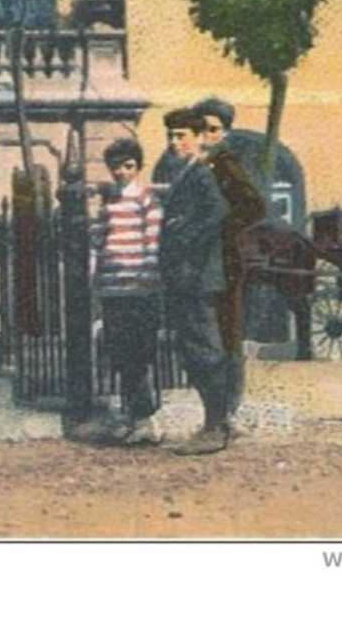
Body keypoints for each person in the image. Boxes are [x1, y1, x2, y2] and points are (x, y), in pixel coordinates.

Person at [190, 97, 267, 429]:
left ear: (225, 132)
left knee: (227, 329)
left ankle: (230, 406)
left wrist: (224, 226)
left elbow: (254, 204)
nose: (207, 135)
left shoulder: (226, 163)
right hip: (207, 257)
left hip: (227, 256)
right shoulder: (198, 162)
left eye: (213, 129)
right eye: (202, 129)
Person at [158, 108, 230, 456]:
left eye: (182, 136)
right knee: (192, 348)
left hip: (198, 275)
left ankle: (216, 425)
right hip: (187, 275)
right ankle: (214, 421)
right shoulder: (183, 173)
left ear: (199, 138)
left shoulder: (201, 174)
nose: (175, 142)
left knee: (204, 348)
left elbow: (217, 214)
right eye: (171, 136)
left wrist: (185, 237)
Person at [91, 137, 164, 446]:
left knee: (139, 352)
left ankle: (146, 418)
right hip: (112, 290)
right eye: (115, 167)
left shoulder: (147, 200)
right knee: (118, 352)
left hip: (139, 290)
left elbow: (153, 244)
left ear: (138, 166)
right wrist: (95, 277)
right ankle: (132, 416)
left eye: (128, 166)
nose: (121, 172)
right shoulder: (109, 203)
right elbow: (96, 242)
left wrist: (147, 281)